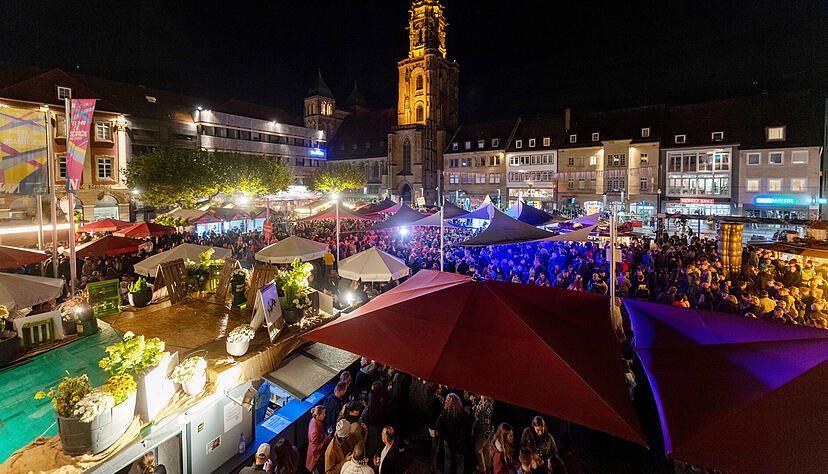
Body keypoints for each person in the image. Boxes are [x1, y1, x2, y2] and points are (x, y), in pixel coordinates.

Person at [435, 393, 470, 474]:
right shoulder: (463, 415)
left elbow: (437, 425)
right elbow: (466, 430)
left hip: (448, 441)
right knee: (459, 463)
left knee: (448, 461)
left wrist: (444, 436)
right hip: (459, 443)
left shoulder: (444, 414)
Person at [306, 405, 331, 474]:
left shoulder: (313, 420)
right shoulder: (315, 431)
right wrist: (327, 439)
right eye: (323, 414)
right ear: (317, 416)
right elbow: (315, 449)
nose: (325, 415)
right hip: (316, 459)